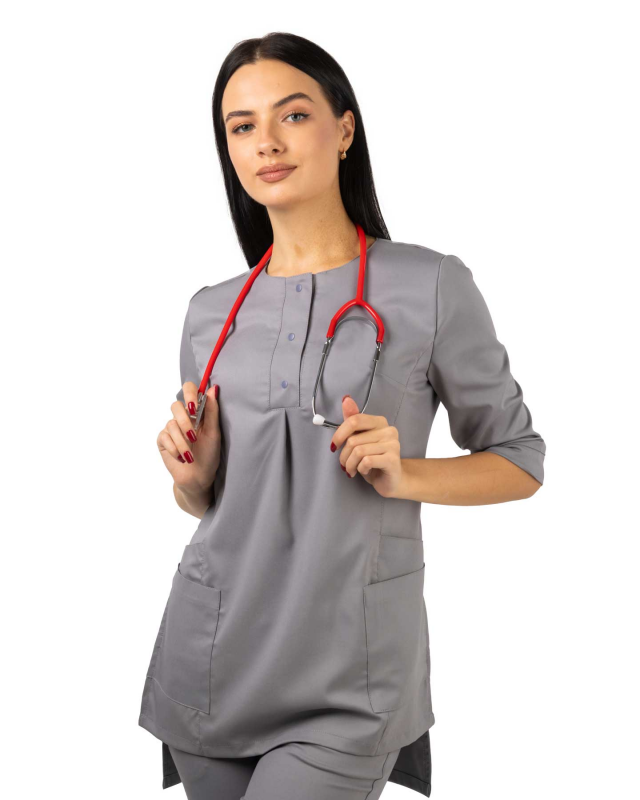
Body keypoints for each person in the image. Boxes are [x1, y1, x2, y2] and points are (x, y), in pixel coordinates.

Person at [138, 32, 546, 800]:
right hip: (212, 655)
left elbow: (520, 460)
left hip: (348, 677)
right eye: (242, 126)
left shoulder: (429, 286)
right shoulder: (210, 312)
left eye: (292, 115)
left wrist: (404, 474)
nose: (266, 142)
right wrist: (191, 479)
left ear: (345, 128)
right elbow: (210, 503)